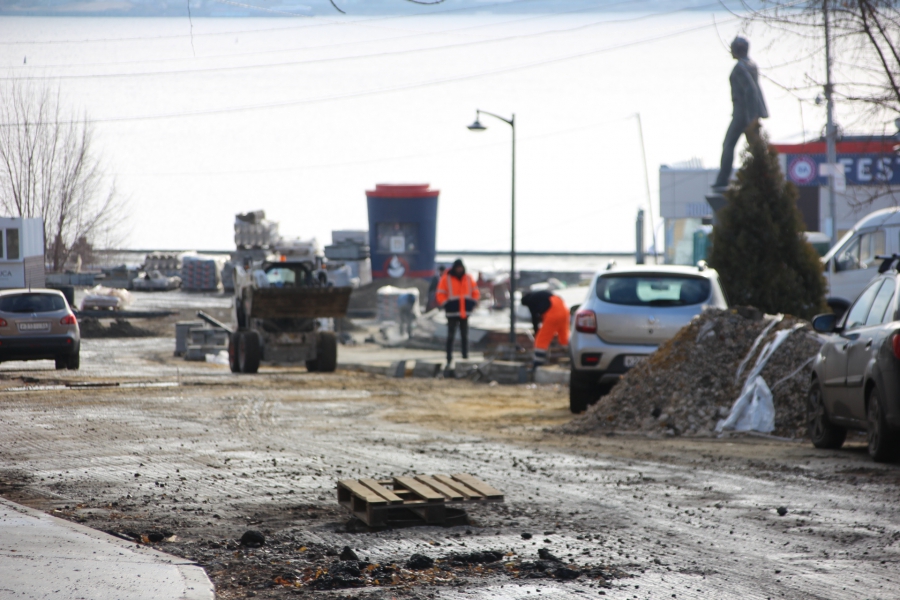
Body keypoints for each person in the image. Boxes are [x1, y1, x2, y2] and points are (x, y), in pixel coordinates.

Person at [713, 36, 769, 191]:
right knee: (756, 148)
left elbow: (751, 90)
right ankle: (764, 177)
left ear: (738, 49)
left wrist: (750, 118)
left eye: (732, 48)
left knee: (728, 144)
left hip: (742, 115)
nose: (730, 50)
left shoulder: (740, 68)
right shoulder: (751, 64)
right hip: (750, 114)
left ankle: (723, 179)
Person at [436, 259, 480, 366]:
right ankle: (449, 358)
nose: (459, 269)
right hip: (452, 313)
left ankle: (465, 357)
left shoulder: (468, 278)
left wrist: (472, 303)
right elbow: (440, 294)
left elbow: (475, 292)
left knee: (464, 336)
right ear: (454, 268)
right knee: (451, 336)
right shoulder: (446, 279)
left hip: (465, 312)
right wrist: (447, 304)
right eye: (457, 267)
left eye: (461, 267)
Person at [521, 289, 570, 370]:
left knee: (541, 339)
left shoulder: (530, 302)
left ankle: (537, 364)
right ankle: (570, 357)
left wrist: (537, 333)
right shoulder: (538, 294)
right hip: (564, 310)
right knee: (564, 337)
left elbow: (534, 319)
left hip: (553, 313)